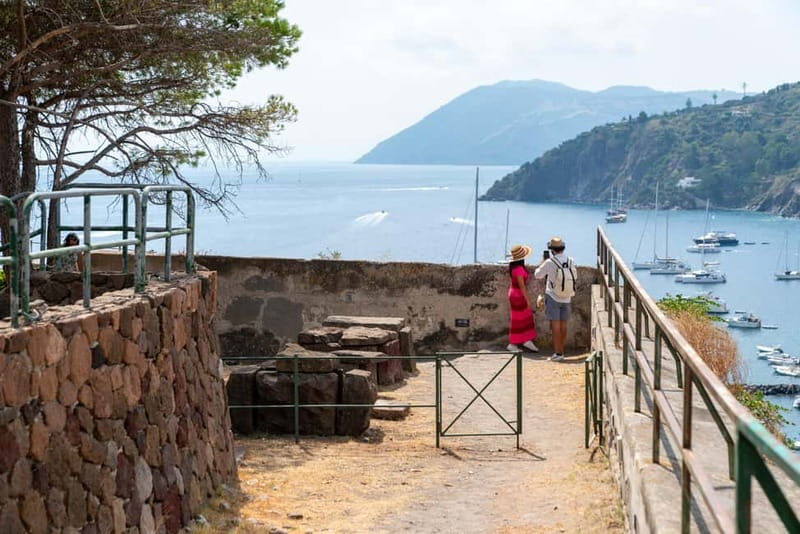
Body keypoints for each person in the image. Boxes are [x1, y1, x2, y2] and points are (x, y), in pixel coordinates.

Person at [534, 236, 577, 361]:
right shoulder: (570, 260)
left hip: (553, 296)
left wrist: (542, 262)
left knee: (555, 326)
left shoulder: (549, 262)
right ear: (562, 248)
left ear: (552, 250)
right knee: (564, 326)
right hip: (567, 296)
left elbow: (538, 275)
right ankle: (561, 351)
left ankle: (558, 354)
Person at [506, 244, 539, 353]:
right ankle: (513, 344)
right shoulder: (519, 269)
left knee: (523, 317)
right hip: (518, 295)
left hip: (514, 293)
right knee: (519, 318)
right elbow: (522, 286)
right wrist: (527, 299)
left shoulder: (515, 268)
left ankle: (526, 340)